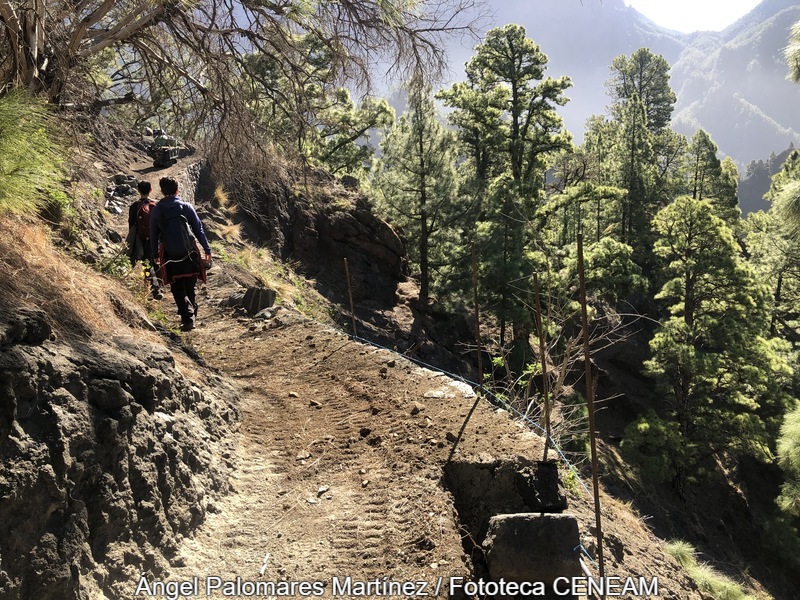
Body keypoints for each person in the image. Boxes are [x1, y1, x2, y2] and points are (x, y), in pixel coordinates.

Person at [150, 177, 212, 332]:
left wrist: (155, 253)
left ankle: (188, 317)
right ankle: (191, 314)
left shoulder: (157, 209)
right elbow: (198, 229)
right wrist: (207, 249)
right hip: (189, 253)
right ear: (177, 190)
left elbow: (154, 234)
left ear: (162, 191)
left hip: (170, 255)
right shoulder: (186, 206)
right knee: (190, 286)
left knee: (177, 288)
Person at [127, 180, 163, 299]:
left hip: (141, 238)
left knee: (146, 263)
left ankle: (155, 289)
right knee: (156, 262)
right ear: (151, 190)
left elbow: (131, 225)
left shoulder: (134, 206)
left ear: (138, 190)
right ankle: (159, 287)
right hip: (155, 238)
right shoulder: (156, 205)